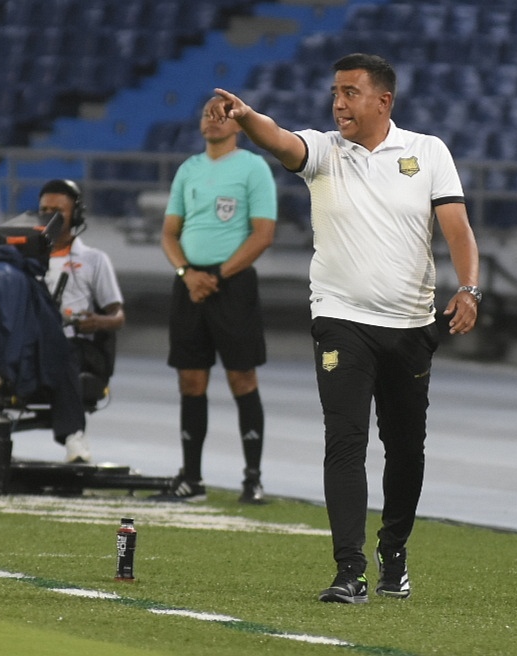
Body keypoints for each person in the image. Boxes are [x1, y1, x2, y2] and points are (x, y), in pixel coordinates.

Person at [210, 52, 481, 603]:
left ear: (383, 101)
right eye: (335, 92)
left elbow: (457, 228)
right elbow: (281, 140)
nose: (338, 103)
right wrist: (247, 116)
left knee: (406, 449)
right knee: (345, 441)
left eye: (350, 93)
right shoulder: (324, 151)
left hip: (410, 325)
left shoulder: (428, 153)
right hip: (341, 321)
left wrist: (470, 288)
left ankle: (394, 549)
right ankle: (349, 569)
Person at [153, 97, 278, 504]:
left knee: (242, 378)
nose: (212, 118)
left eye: (221, 113)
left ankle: (253, 478)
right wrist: (187, 274)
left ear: (238, 123)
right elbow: (169, 233)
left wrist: (218, 275)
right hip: (189, 284)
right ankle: (192, 478)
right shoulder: (188, 169)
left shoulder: (253, 168)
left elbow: (262, 234)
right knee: (190, 379)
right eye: (206, 112)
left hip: (233, 285)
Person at [39, 179, 126, 462]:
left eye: (58, 210)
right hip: (32, 342)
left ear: (75, 215)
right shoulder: (20, 256)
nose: (49, 216)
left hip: (76, 344)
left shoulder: (93, 260)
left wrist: (98, 321)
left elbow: (118, 315)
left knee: (65, 350)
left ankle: (74, 435)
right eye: (44, 209)